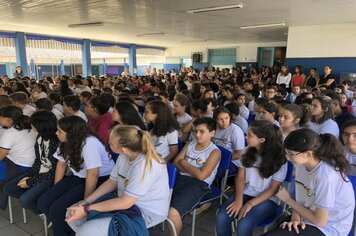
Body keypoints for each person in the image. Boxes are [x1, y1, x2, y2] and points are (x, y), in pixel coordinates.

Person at [66, 125, 169, 235]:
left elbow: (125, 203)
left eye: (110, 143)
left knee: (86, 230)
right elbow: (111, 182)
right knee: (73, 216)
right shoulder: (124, 155)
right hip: (125, 202)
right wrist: (85, 202)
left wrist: (87, 209)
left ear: (122, 149)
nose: (107, 143)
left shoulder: (145, 165)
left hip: (147, 211)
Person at [264, 129, 354, 236]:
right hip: (308, 216)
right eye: (287, 153)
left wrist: (288, 200)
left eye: (291, 154)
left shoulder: (325, 177)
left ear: (308, 154)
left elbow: (320, 221)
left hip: (329, 228)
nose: (288, 158)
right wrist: (295, 218)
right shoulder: (301, 165)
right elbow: (302, 201)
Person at [37, 116, 115, 236]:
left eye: (60, 131)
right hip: (79, 177)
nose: (56, 133)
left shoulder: (89, 143)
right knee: (43, 202)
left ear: (71, 133)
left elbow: (93, 174)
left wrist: (85, 201)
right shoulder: (66, 141)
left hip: (99, 180)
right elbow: (61, 164)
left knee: (56, 210)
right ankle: (65, 227)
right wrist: (56, 188)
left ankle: (65, 230)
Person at [216, 120, 287, 236]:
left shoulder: (279, 158)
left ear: (262, 140)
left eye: (250, 135)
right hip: (246, 192)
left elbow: (273, 190)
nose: (245, 137)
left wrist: (249, 204)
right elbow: (240, 178)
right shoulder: (246, 151)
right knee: (222, 216)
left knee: (244, 223)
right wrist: (239, 201)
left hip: (268, 199)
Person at [168, 117, 221, 236]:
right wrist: (193, 169)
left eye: (202, 131)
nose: (197, 135)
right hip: (180, 178)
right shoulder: (191, 144)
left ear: (212, 133)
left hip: (199, 185)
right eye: (195, 131)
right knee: (156, 201)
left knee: (172, 213)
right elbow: (176, 163)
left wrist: (184, 163)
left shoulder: (214, 152)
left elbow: (201, 176)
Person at [3, 110, 59, 214]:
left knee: (24, 200)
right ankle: (41, 203)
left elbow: (54, 170)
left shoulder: (56, 141)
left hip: (51, 176)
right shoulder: (40, 137)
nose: (30, 124)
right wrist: (30, 175)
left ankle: (45, 211)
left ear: (40, 125)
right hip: (39, 172)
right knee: (9, 188)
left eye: (33, 123)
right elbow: (38, 160)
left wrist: (31, 181)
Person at [0, 105, 37, 209]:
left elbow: (1, 156)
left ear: (8, 119)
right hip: (33, 165)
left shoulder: (9, 133)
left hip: (19, 166)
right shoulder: (30, 127)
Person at [213, 107, 245, 171]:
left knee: (209, 170)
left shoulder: (236, 131)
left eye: (226, 118)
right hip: (216, 157)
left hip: (232, 162)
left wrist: (220, 159)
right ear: (215, 120)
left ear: (230, 117)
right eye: (220, 119)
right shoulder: (214, 128)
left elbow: (239, 154)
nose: (224, 121)